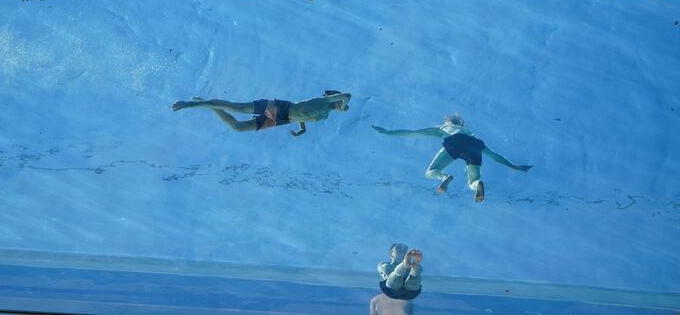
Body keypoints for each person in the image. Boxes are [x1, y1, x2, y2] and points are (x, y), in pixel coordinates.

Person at [373, 115, 533, 202]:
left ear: (449, 122)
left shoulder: (444, 127)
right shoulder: (470, 132)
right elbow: (495, 155)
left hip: (456, 141)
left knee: (431, 171)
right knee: (472, 182)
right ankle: (478, 185)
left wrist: (388, 132)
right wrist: (514, 166)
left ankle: (445, 177)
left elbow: (414, 132)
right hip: (476, 146)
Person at [172, 91, 351, 137]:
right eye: (336, 102)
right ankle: (191, 103)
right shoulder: (321, 101)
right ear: (332, 99)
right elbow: (347, 96)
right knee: (236, 107)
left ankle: (209, 105)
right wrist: (342, 102)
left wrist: (301, 130)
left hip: (283, 120)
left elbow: (303, 116)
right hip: (279, 108)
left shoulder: (324, 115)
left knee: (238, 127)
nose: (338, 105)